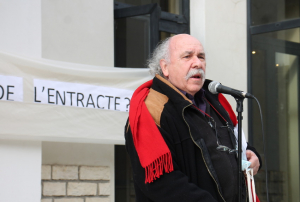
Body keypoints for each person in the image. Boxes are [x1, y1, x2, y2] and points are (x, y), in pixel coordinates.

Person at [125, 34, 261, 202]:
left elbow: (236, 144)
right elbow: (162, 184)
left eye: (201, 57)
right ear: (165, 67)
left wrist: (253, 155)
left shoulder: (216, 101)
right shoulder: (150, 111)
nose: (197, 63)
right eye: (187, 56)